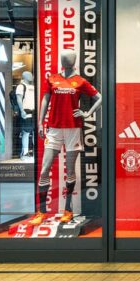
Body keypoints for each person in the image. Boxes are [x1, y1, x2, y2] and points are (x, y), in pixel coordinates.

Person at [35, 50, 100, 225]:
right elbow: (45, 100)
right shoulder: (52, 79)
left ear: (74, 60)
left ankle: (68, 210)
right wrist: (41, 122)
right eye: (64, 56)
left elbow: (99, 98)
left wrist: (87, 113)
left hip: (73, 129)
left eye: (70, 57)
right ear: (62, 60)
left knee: (70, 171)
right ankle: (41, 211)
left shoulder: (80, 81)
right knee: (44, 169)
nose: (67, 58)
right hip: (54, 128)